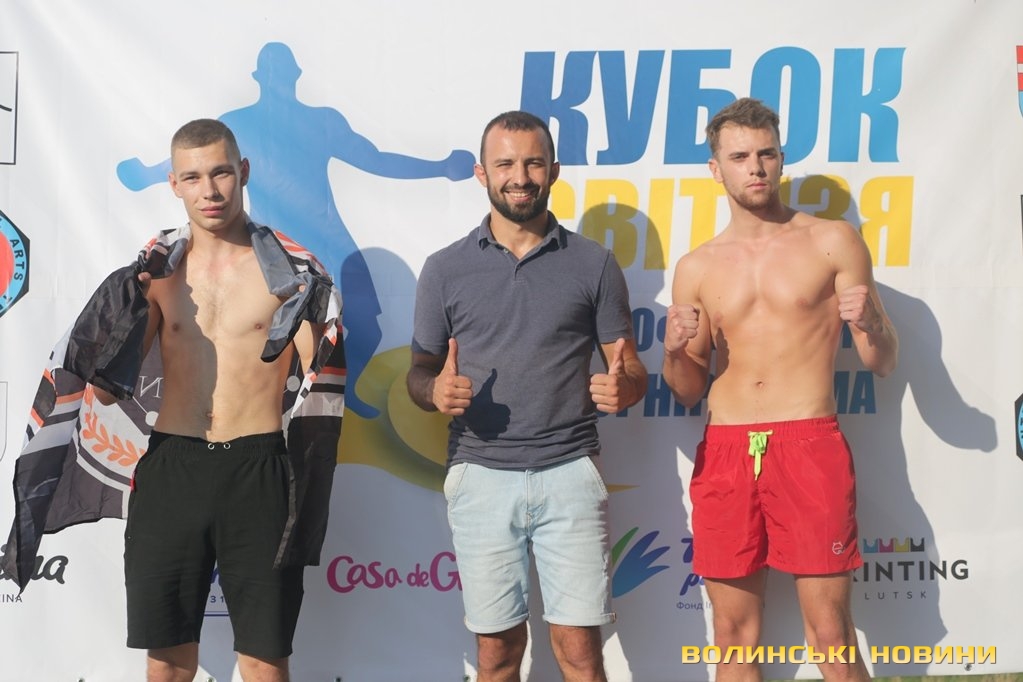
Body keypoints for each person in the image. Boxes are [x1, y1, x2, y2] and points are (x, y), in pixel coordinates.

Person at [406, 111, 648, 682]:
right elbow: (418, 372)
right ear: (481, 173)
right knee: (497, 654)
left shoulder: (594, 263)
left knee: (580, 652)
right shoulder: (444, 269)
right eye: (505, 164)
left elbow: (630, 366)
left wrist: (626, 386)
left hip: (570, 471)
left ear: (554, 171)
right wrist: (434, 390)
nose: (520, 177)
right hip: (480, 475)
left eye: (533, 163)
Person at [662, 98, 898, 681]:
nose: (755, 167)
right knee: (732, 637)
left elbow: (882, 361)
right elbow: (687, 390)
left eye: (766, 154)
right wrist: (672, 350)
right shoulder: (696, 266)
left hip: (808, 441)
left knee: (830, 634)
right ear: (716, 169)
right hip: (726, 449)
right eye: (740, 156)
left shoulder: (832, 240)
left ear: (782, 159)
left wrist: (873, 323)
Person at [100, 119, 344, 681]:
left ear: (243, 172)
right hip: (173, 467)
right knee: (167, 665)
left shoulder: (293, 274)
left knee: (263, 663)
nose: (209, 191)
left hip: (260, 468)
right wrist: (120, 317)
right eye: (192, 177)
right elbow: (109, 386)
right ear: (174, 184)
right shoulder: (156, 273)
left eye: (220, 173)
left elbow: (323, 382)